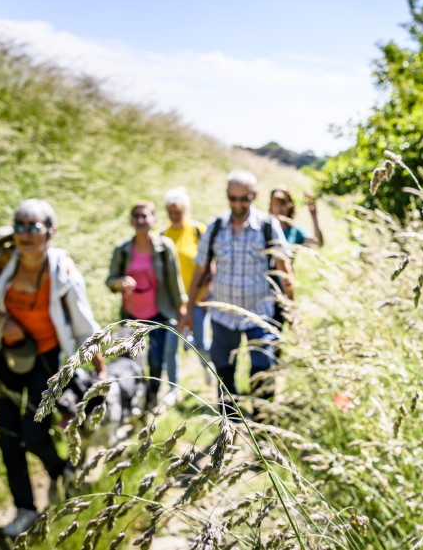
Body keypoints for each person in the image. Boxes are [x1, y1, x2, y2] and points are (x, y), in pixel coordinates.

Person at [0, 199, 106, 538]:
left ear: (51, 232)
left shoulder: (62, 271)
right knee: (8, 438)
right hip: (7, 358)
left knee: (33, 436)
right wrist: (3, 319)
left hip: (46, 362)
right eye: (20, 226)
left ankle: (62, 471)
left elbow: (83, 325)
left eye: (34, 227)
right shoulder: (2, 261)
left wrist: (100, 371)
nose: (26, 234)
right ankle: (25, 510)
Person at [180, 170, 293, 419]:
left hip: (259, 314)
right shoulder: (216, 226)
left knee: (263, 370)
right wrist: (189, 311)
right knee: (224, 371)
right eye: (233, 199)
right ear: (227, 196)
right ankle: (228, 424)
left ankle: (263, 426)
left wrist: (290, 307)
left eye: (245, 199)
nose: (239, 204)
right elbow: (200, 271)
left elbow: (285, 268)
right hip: (223, 316)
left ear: (255, 196)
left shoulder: (267, 225)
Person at [106, 202, 187, 410]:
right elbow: (110, 280)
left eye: (145, 216)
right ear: (131, 221)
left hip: (159, 313)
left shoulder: (164, 247)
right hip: (131, 315)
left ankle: (152, 398)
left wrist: (182, 310)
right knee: (130, 359)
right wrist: (119, 282)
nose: (141, 220)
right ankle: (132, 399)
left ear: (154, 220)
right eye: (137, 216)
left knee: (156, 360)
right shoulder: (122, 250)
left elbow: (174, 281)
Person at [161, 187, 212, 384]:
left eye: (178, 213)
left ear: (186, 211)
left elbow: (210, 265)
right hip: (173, 304)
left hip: (197, 300)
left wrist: (208, 293)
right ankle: (173, 387)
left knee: (202, 343)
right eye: (171, 212)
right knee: (171, 346)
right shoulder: (162, 235)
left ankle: (208, 371)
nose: (174, 216)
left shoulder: (199, 231)